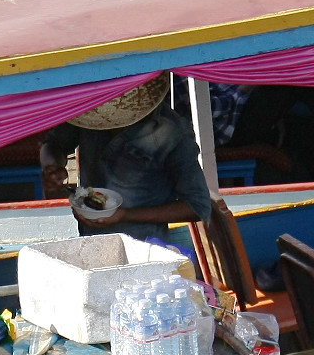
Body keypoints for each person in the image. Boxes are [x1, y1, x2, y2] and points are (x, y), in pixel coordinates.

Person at [40, 73, 214, 241]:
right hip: (90, 240)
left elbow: (198, 207)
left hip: (146, 247)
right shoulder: (90, 113)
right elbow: (52, 144)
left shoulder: (173, 132)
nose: (112, 123)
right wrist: (52, 167)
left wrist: (125, 215)